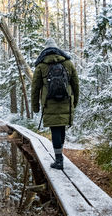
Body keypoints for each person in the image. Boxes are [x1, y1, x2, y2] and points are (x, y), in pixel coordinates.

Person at [31, 38, 79, 170]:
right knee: (61, 128)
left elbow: (35, 88)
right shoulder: (68, 63)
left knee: (55, 130)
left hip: (49, 103)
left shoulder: (41, 66)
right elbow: (75, 84)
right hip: (66, 102)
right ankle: (60, 157)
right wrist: (75, 101)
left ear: (45, 50)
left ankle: (58, 160)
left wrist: (35, 106)